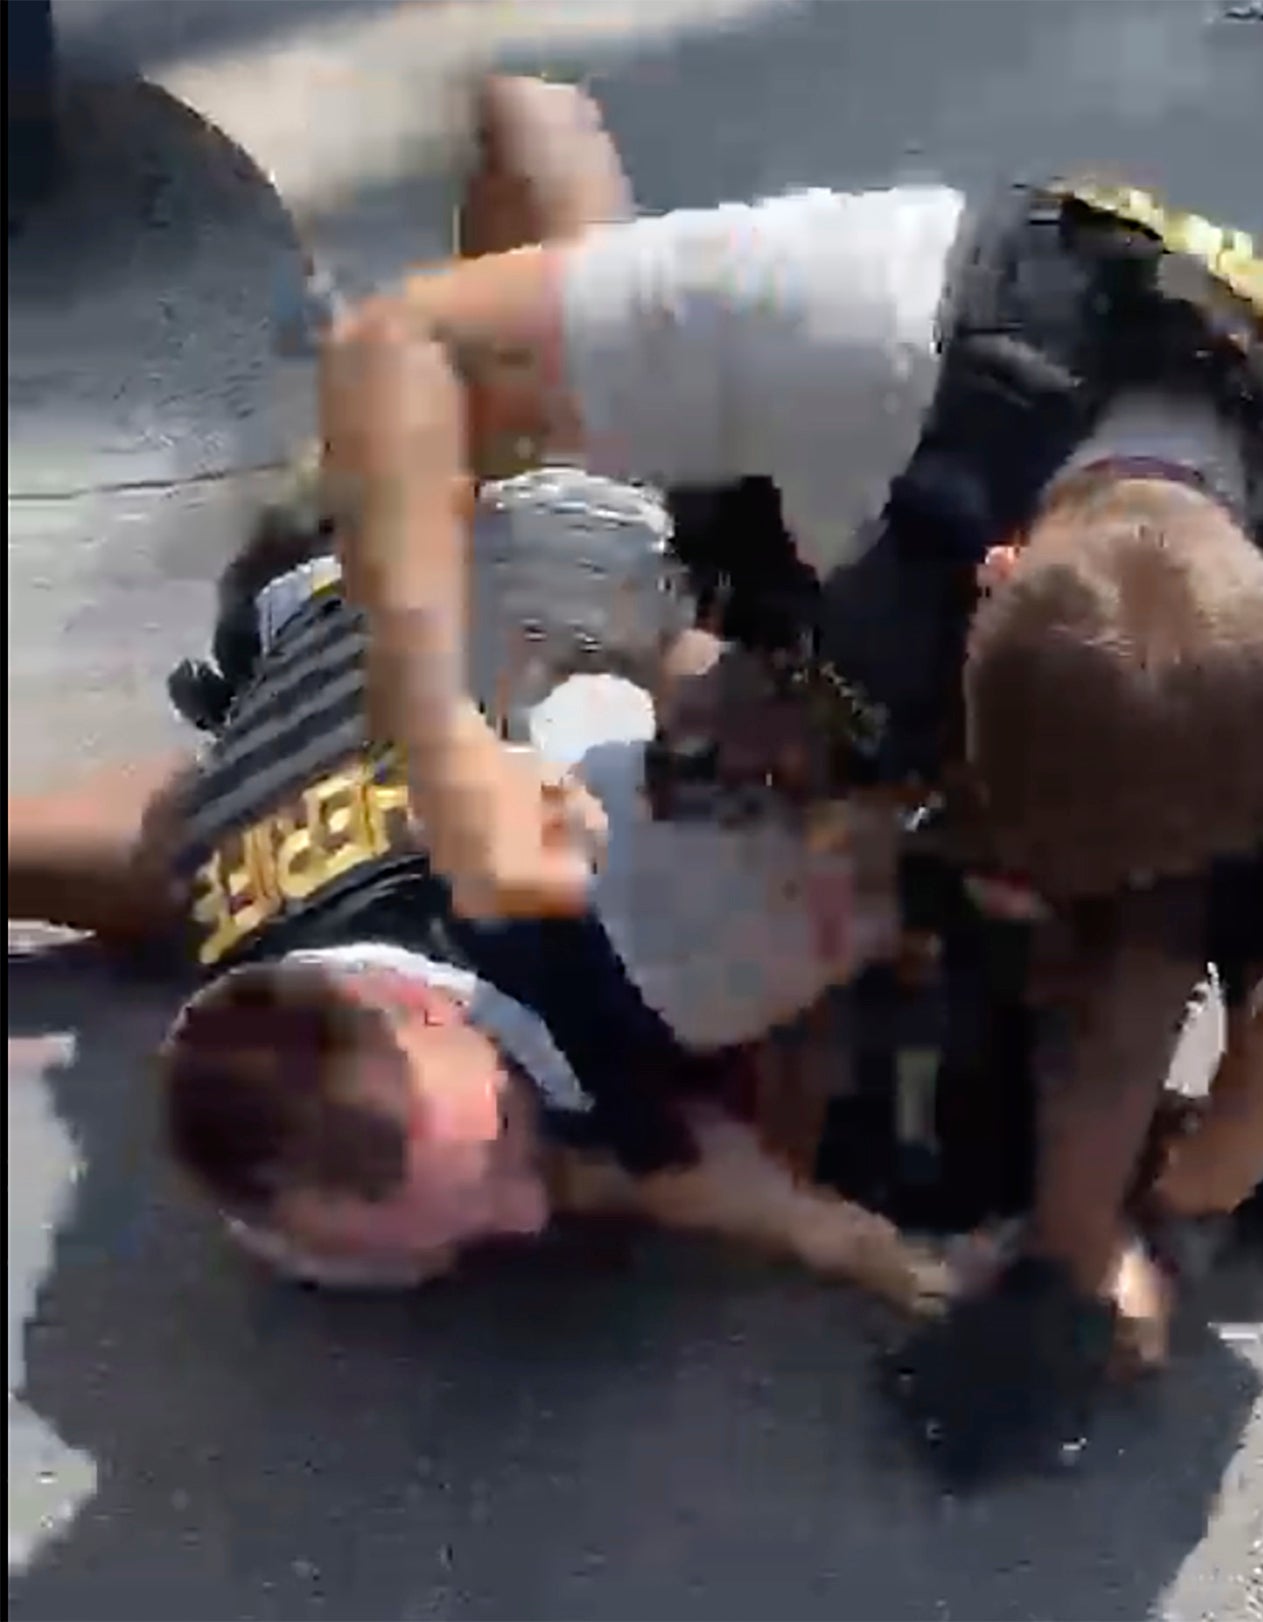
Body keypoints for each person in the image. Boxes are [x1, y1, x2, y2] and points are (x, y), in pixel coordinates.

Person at [332, 75, 1263, 1483]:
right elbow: (400, 349)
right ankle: (540, 155)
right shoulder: (868, 319)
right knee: (898, 1111)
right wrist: (445, 743)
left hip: (1238, 643)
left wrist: (1162, 1229)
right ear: (999, 577)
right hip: (879, 558)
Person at [3, 82, 943, 1313]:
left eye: (503, 1150)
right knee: (196, 848)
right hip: (281, 744)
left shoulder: (559, 849)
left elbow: (614, 599)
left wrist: (686, 660)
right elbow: (647, 1169)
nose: (531, 1204)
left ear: (406, 1006)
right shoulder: (275, 1105)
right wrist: (856, 1247)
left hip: (454, 567)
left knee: (545, 163)